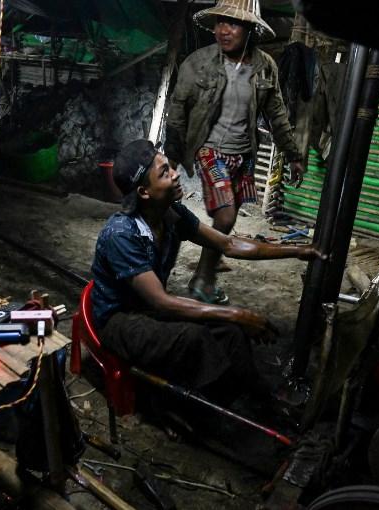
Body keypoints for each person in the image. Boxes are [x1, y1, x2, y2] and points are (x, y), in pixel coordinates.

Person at [91, 139, 323, 405]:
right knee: (194, 338)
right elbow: (162, 302)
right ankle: (198, 408)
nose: (176, 174)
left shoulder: (171, 214)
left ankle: (258, 398)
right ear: (144, 192)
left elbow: (229, 244)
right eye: (165, 173)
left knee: (230, 330)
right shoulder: (122, 234)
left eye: (170, 167)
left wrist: (299, 250)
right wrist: (238, 314)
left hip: (148, 311)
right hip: (119, 322)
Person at [164, 0, 305, 305]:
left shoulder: (265, 65)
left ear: (250, 28)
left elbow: (276, 114)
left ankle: (210, 263)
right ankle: (202, 279)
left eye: (233, 24)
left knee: (230, 215)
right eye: (219, 23)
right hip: (210, 149)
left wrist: (293, 155)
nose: (223, 30)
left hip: (244, 154)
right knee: (225, 216)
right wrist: (170, 159)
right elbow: (177, 112)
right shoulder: (197, 63)